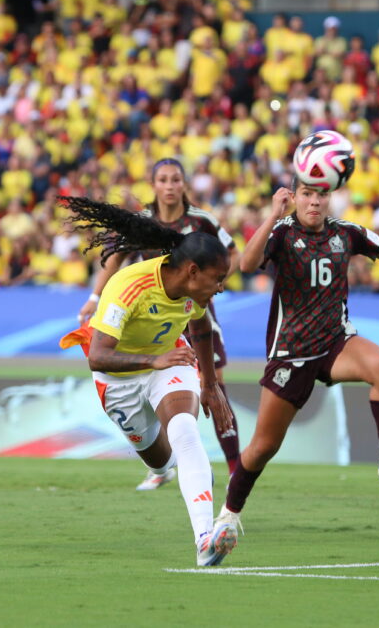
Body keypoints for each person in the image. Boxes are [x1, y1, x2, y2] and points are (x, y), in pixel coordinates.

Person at [215, 178, 379, 543]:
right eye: (307, 194)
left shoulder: (346, 232)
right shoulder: (281, 232)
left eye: (321, 195)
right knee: (263, 447)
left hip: (336, 341)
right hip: (291, 354)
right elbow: (247, 264)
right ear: (295, 198)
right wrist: (273, 214)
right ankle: (229, 513)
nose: (314, 202)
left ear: (330, 198)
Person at [57, 195, 238, 567]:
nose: (220, 287)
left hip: (170, 359)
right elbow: (98, 357)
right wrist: (153, 360)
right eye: (217, 279)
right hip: (118, 377)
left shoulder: (192, 290)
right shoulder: (129, 286)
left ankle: (205, 539)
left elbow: (200, 324)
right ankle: (164, 471)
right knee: (160, 458)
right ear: (191, 271)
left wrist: (207, 384)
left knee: (185, 431)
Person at [77, 158, 243, 491]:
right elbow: (115, 259)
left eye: (176, 179)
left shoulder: (201, 221)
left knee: (214, 381)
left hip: (192, 310)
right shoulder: (142, 222)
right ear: (153, 185)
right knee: (152, 379)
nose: (169, 186)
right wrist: (95, 298)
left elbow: (233, 254)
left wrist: (215, 282)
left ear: (184, 185)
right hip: (147, 312)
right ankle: (163, 463)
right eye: (163, 180)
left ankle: (235, 467)